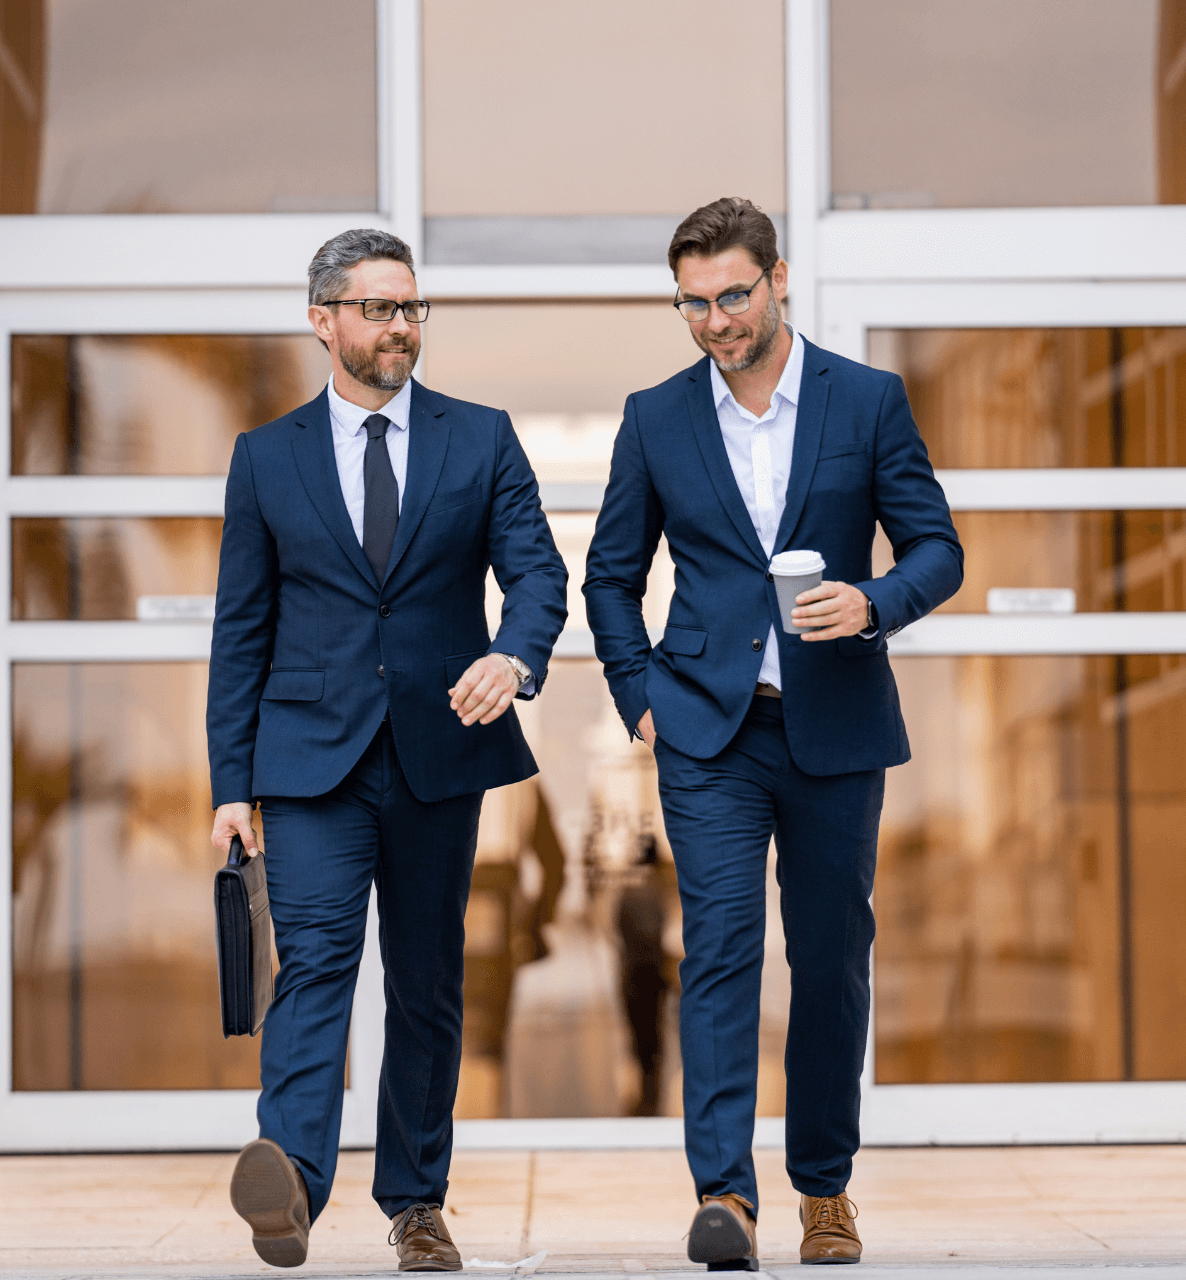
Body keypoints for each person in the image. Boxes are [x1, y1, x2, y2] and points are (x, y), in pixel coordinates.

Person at [582, 198, 964, 1269]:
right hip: (707, 730)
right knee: (719, 952)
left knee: (835, 957)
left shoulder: (868, 401)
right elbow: (609, 577)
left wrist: (874, 602)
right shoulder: (656, 417)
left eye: (734, 294)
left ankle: (825, 1188)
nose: (716, 320)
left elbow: (937, 548)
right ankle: (724, 1193)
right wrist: (640, 697)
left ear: (779, 277)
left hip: (836, 725)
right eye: (694, 303)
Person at [207, 228, 567, 1271]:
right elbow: (241, 628)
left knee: (426, 978)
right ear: (324, 320)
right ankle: (294, 1180)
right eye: (379, 308)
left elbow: (538, 574)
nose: (402, 326)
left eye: (412, 307)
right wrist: (232, 782)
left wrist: (514, 655)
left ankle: (416, 1201)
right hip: (308, 757)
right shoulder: (266, 457)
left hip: (439, 750)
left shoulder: (482, 438)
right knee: (315, 961)